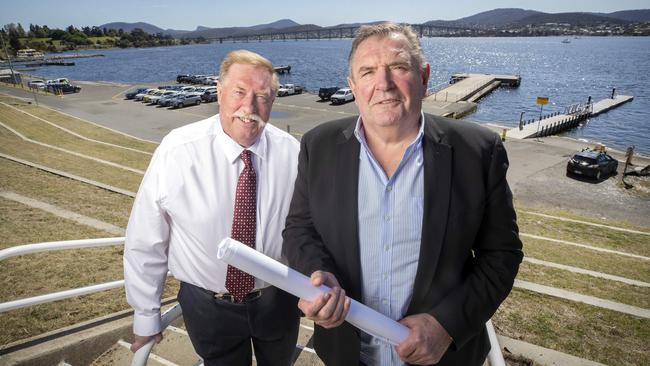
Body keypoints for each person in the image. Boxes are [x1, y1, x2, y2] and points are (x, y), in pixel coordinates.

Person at [282, 23, 523, 366]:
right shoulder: (318, 146)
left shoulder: (478, 151)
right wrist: (317, 274)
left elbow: (502, 254)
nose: (383, 84)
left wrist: (446, 325)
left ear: (424, 77)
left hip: (443, 357)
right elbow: (299, 229)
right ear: (353, 86)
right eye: (367, 72)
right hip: (347, 354)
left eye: (398, 67)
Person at [124, 50, 301, 365]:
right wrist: (146, 316)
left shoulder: (294, 154)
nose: (249, 107)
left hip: (278, 302)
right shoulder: (176, 151)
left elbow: (307, 229)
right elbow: (145, 239)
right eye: (239, 92)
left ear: (274, 101)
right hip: (208, 307)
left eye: (262, 96)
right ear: (219, 93)